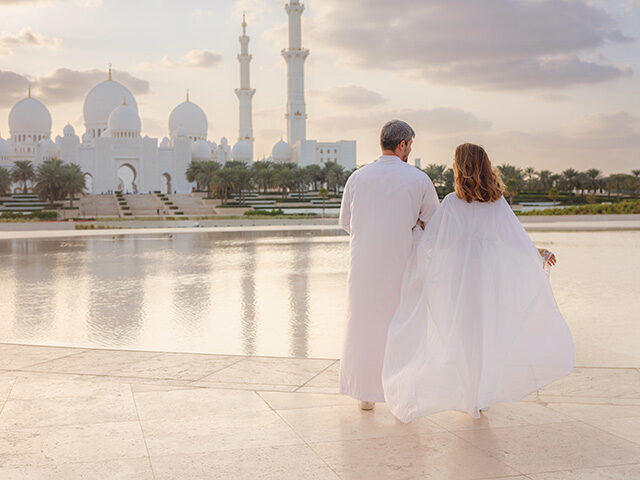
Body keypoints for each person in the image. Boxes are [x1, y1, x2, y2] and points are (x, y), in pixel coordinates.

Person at [382, 143, 575, 422]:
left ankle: (471, 394)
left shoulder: (451, 203)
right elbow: (515, 239)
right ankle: (478, 397)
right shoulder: (496, 203)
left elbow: (435, 243)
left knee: (462, 336)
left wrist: (414, 230)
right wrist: (539, 253)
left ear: (461, 168)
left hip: (458, 282)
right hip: (488, 281)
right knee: (484, 334)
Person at [338, 120, 440, 410]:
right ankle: (402, 393)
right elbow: (435, 224)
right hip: (402, 264)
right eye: (410, 145)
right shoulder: (419, 179)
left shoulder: (357, 178)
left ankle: (365, 394)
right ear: (403, 144)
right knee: (403, 327)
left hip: (363, 267)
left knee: (364, 327)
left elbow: (347, 223)